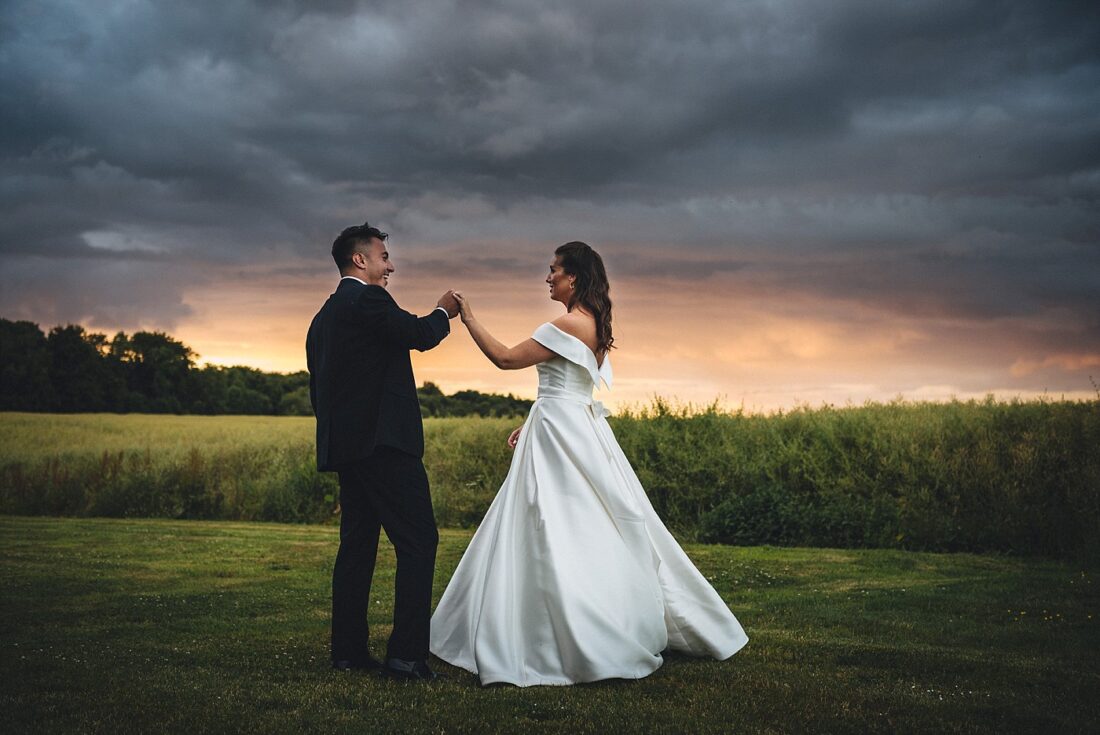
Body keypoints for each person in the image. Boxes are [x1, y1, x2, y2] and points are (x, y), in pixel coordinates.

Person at [430, 241, 749, 686]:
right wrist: (531, 421)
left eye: (553, 270)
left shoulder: (565, 323)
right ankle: (595, 616)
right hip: (572, 427)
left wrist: (468, 317)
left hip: (560, 436)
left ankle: (559, 633)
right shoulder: (595, 324)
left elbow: (504, 359)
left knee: (553, 523)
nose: (548, 278)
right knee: (586, 523)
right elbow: (569, 387)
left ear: (573, 276)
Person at [306, 222, 459, 681]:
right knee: (418, 541)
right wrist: (444, 311)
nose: (390, 266)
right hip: (385, 445)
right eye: (384, 258)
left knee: (357, 547)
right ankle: (406, 655)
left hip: (350, 450)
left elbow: (323, 388)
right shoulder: (367, 299)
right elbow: (417, 333)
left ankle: (349, 651)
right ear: (360, 260)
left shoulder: (324, 316)